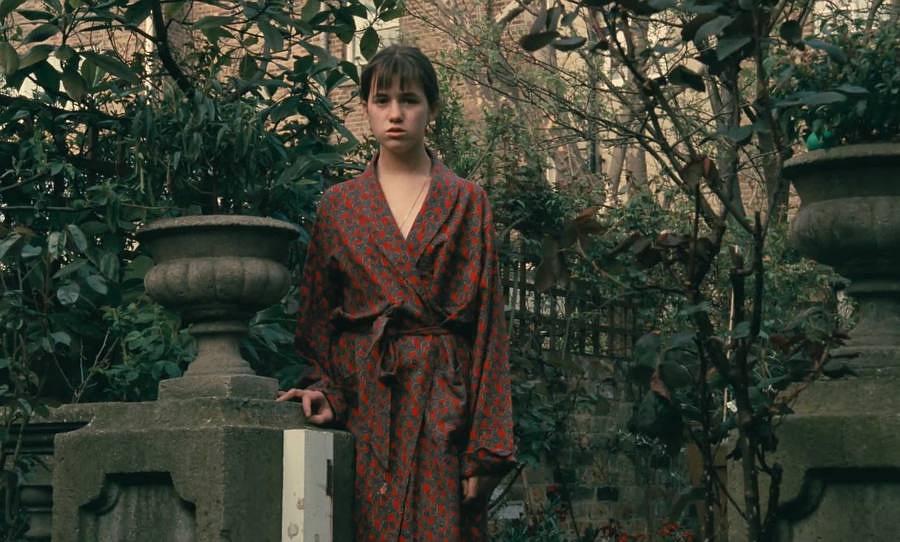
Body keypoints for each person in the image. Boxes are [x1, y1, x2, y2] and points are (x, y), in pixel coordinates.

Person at [277, 44, 516, 541]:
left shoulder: (467, 201)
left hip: (442, 403)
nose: (395, 114)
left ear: (432, 108)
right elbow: (317, 322)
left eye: (409, 100)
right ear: (365, 107)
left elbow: (489, 331)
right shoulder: (340, 207)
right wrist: (325, 390)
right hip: (366, 405)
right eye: (381, 100)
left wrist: (487, 447)